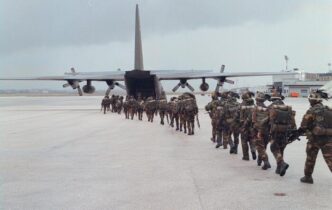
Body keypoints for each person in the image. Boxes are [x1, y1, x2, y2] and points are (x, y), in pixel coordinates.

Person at [296, 90, 332, 184]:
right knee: (330, 160)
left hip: (314, 139)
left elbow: (304, 125)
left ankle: (308, 177)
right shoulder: (329, 109)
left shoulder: (311, 110)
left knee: (310, 158)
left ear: (312, 100)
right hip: (328, 139)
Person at [268, 91, 296, 176]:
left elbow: (267, 119)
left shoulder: (271, 107)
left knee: (274, 148)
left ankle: (282, 163)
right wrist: (293, 131)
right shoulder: (287, 107)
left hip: (275, 131)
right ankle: (278, 168)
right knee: (281, 149)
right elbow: (292, 121)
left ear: (272, 99)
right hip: (286, 131)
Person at [252, 92, 271, 170]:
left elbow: (253, 120)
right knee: (264, 146)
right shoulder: (268, 109)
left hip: (258, 130)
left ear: (257, 100)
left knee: (260, 147)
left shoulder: (255, 108)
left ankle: (266, 162)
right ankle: (259, 160)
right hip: (266, 131)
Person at [239, 91, 257, 160]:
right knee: (252, 139)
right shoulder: (253, 104)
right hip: (252, 126)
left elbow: (237, 115)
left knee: (244, 141)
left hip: (244, 126)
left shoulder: (241, 105)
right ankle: (253, 150)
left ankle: (246, 156)